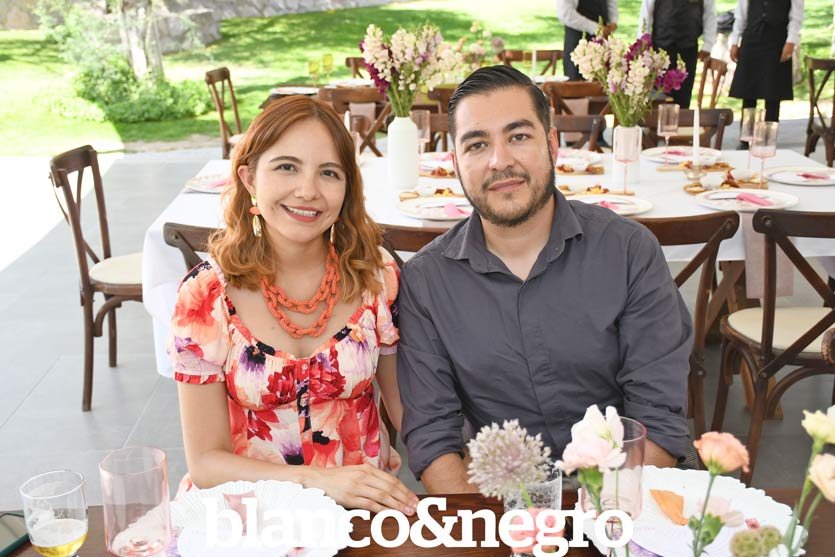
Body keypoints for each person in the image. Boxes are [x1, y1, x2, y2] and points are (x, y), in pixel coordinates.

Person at [397, 65, 693, 494]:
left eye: (518, 136)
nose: (500, 161)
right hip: (502, 501)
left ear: (552, 144)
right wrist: (494, 524)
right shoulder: (427, 281)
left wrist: (599, 517)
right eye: (477, 144)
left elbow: (657, 421)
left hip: (627, 490)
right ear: (456, 162)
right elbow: (432, 436)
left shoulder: (628, 251)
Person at [167, 96, 419, 515]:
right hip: (246, 516)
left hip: (359, 515)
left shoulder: (378, 277)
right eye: (287, 167)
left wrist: (463, 480)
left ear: (347, 189)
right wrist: (320, 482)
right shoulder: (206, 295)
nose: (308, 191)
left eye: (329, 173)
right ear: (249, 178)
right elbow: (206, 462)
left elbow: (404, 408)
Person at [728, 0, 804, 123]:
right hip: (752, 39)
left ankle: (770, 133)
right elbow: (741, 14)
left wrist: (791, 41)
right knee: (748, 93)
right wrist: (734, 41)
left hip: (777, 42)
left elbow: (796, 16)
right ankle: (747, 133)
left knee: (773, 94)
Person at [638, 0, 717, 108]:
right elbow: (646, 12)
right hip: (660, 50)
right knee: (657, 96)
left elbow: (710, 14)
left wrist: (708, 44)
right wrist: (643, 42)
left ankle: (681, 116)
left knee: (683, 96)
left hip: (688, 50)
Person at [557, 0, 619, 80]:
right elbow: (566, 13)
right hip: (578, 44)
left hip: (603, 44)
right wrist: (596, 28)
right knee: (576, 83)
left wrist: (613, 21)